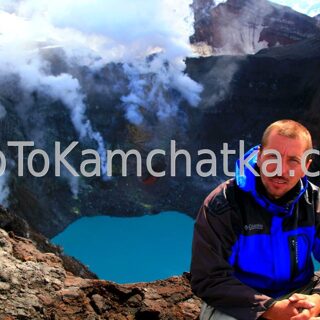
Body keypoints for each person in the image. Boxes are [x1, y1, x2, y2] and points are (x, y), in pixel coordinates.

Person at [190, 120, 320, 320]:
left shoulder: (315, 202)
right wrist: (270, 308)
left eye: (293, 160)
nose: (281, 170)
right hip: (241, 303)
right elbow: (208, 279)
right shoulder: (224, 204)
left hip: (300, 294)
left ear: (306, 166)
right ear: (259, 157)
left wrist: (316, 302)